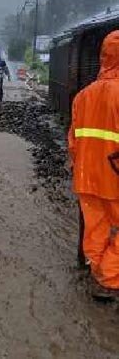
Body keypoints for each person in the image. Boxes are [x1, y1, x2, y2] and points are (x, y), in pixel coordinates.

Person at [68, 30, 119, 300]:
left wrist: (80, 169)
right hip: (114, 179)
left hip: (87, 177)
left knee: (95, 229)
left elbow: (73, 143)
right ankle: (108, 279)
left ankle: (98, 272)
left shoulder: (83, 96)